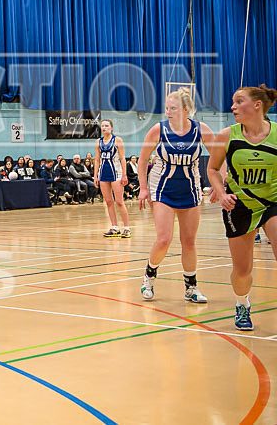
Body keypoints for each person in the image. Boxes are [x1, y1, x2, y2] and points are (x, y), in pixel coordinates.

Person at [207, 84, 277, 331]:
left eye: (239, 102)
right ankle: (242, 303)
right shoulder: (227, 135)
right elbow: (212, 169)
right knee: (242, 270)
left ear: (257, 105)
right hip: (240, 205)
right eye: (233, 102)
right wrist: (221, 192)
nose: (232, 107)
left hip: (272, 202)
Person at [138, 89, 215, 303]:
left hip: (190, 189)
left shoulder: (201, 130)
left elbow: (219, 156)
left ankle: (191, 287)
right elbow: (142, 160)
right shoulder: (158, 129)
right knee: (164, 239)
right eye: (167, 108)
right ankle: (149, 276)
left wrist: (220, 183)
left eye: (173, 108)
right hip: (162, 188)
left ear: (186, 109)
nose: (168, 112)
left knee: (189, 241)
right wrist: (143, 188)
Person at [94, 120, 130, 237]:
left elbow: (123, 158)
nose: (104, 128)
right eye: (102, 126)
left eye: (107, 126)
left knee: (119, 201)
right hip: (103, 173)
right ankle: (115, 227)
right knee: (109, 202)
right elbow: (97, 159)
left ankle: (127, 228)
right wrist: (95, 176)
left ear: (112, 128)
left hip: (116, 173)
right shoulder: (98, 142)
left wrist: (124, 174)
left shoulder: (117, 140)